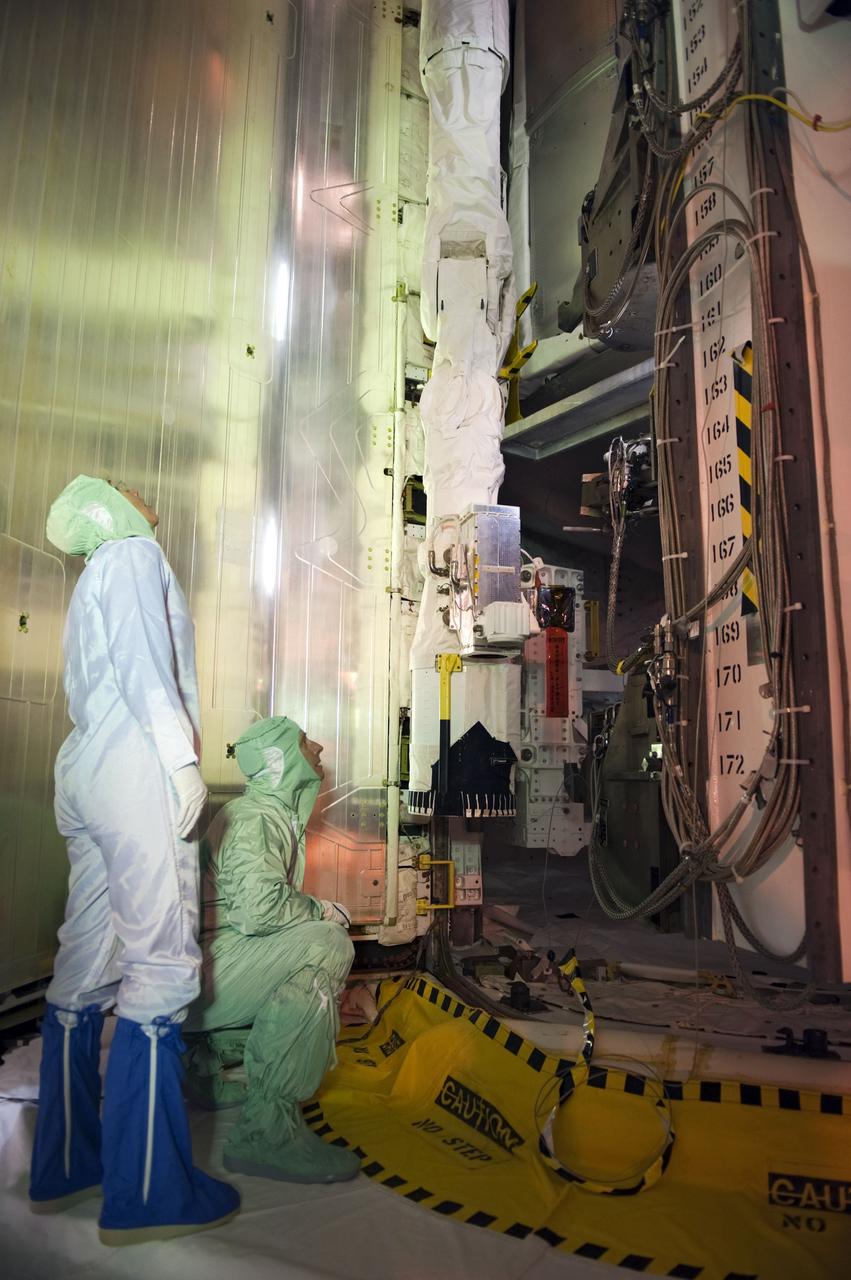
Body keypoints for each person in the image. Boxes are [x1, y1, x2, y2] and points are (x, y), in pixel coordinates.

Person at [30, 474, 240, 1244]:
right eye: (123, 486)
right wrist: (180, 762)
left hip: (85, 768)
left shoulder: (92, 576)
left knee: (84, 963)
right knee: (161, 963)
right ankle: (149, 1192)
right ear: (110, 508)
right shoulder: (131, 555)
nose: (141, 491)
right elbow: (145, 664)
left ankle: (64, 1162)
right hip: (133, 771)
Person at [183, 716, 360, 1184]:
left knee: (306, 950)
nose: (318, 747)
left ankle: (199, 1068)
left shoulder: (266, 815)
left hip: (207, 971)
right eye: (304, 742)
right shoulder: (256, 820)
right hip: (204, 979)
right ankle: (267, 1133)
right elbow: (259, 913)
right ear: (279, 759)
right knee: (326, 947)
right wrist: (321, 911)